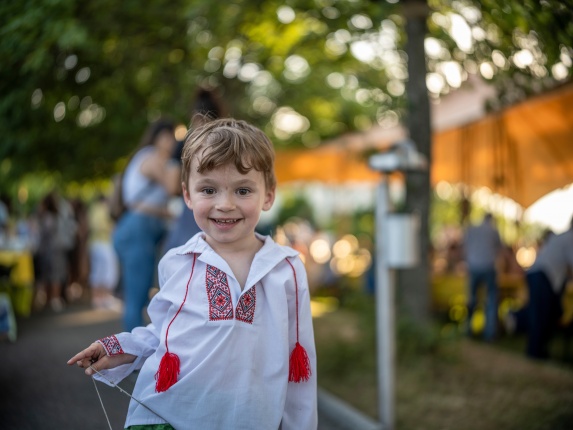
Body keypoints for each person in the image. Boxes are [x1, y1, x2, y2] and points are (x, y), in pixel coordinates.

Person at [67, 118, 317, 429]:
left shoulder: (287, 268)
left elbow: (300, 365)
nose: (224, 205)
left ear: (268, 195)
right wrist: (121, 349)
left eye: (242, 190)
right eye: (209, 190)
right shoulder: (178, 261)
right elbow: (164, 334)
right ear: (187, 195)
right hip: (172, 416)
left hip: (250, 419)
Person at [113, 118, 181, 331]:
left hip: (142, 230)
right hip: (137, 230)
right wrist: (179, 156)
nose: (174, 142)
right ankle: (132, 358)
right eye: (172, 137)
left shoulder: (154, 159)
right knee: (136, 298)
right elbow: (172, 188)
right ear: (160, 137)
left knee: (142, 296)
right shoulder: (151, 157)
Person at [161, 87, 227, 255]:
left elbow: (171, 187)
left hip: (191, 215)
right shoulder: (228, 144)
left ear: (195, 116)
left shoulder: (184, 145)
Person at [523, 216, 573, 359]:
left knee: (539, 314)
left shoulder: (560, 237)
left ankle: (535, 349)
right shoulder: (570, 238)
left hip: (537, 273)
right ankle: (536, 351)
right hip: (543, 276)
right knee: (541, 314)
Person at [463, 212, 503, 341]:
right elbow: (500, 249)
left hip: (473, 266)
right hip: (488, 267)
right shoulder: (493, 230)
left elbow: (465, 246)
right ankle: (489, 333)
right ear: (491, 219)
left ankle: (469, 329)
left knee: (472, 298)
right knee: (491, 300)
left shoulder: (472, 229)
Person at [87, 194, 121, 311]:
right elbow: (100, 226)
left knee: (99, 271)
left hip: (97, 243)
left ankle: (99, 298)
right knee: (106, 271)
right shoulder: (103, 210)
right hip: (103, 243)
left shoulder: (94, 210)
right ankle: (102, 298)